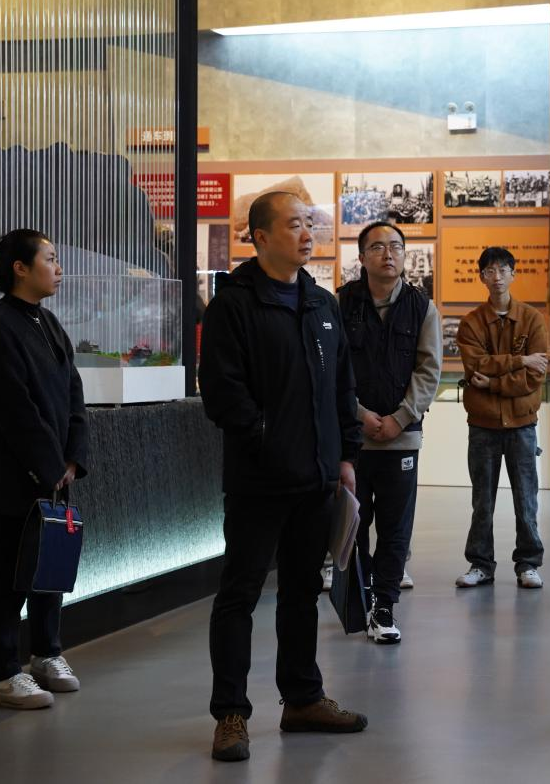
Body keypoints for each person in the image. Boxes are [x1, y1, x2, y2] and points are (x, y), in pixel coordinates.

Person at [200, 193, 367, 762]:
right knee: (239, 596)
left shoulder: (320, 303)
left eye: (309, 224)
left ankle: (302, 699)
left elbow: (342, 385)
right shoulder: (233, 304)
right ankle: (230, 714)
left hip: (316, 481)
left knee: (301, 593)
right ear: (261, 237)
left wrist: (345, 455)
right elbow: (222, 392)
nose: (306, 234)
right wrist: (266, 440)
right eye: (294, 225)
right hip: (259, 481)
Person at [0, 229, 87, 711]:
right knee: (5, 576)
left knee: (49, 568)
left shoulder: (49, 322)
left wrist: (73, 457)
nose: (58, 268)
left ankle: (45, 653)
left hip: (54, 475)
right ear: (20, 268)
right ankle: (1, 675)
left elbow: (73, 392)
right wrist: (48, 465)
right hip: (10, 477)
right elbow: (14, 409)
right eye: (50, 259)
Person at [338, 220, 442, 645]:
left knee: (396, 528)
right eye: (378, 247)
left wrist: (400, 417)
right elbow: (334, 372)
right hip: (354, 439)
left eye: (396, 246)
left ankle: (384, 606)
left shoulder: (422, 307)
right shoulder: (341, 304)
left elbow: (429, 369)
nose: (388, 254)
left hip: (402, 438)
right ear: (362, 256)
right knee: (354, 524)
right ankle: (359, 597)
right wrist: (361, 415)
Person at [454, 247, 549, 589]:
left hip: (523, 424)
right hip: (483, 425)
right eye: (489, 271)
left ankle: (528, 563)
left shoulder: (532, 319)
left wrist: (493, 383)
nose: (496, 277)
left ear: (513, 274)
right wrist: (520, 360)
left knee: (526, 498)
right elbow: (475, 366)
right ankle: (481, 564)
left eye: (503, 270)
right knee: (482, 500)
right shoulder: (471, 323)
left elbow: (536, 375)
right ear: (481, 277)